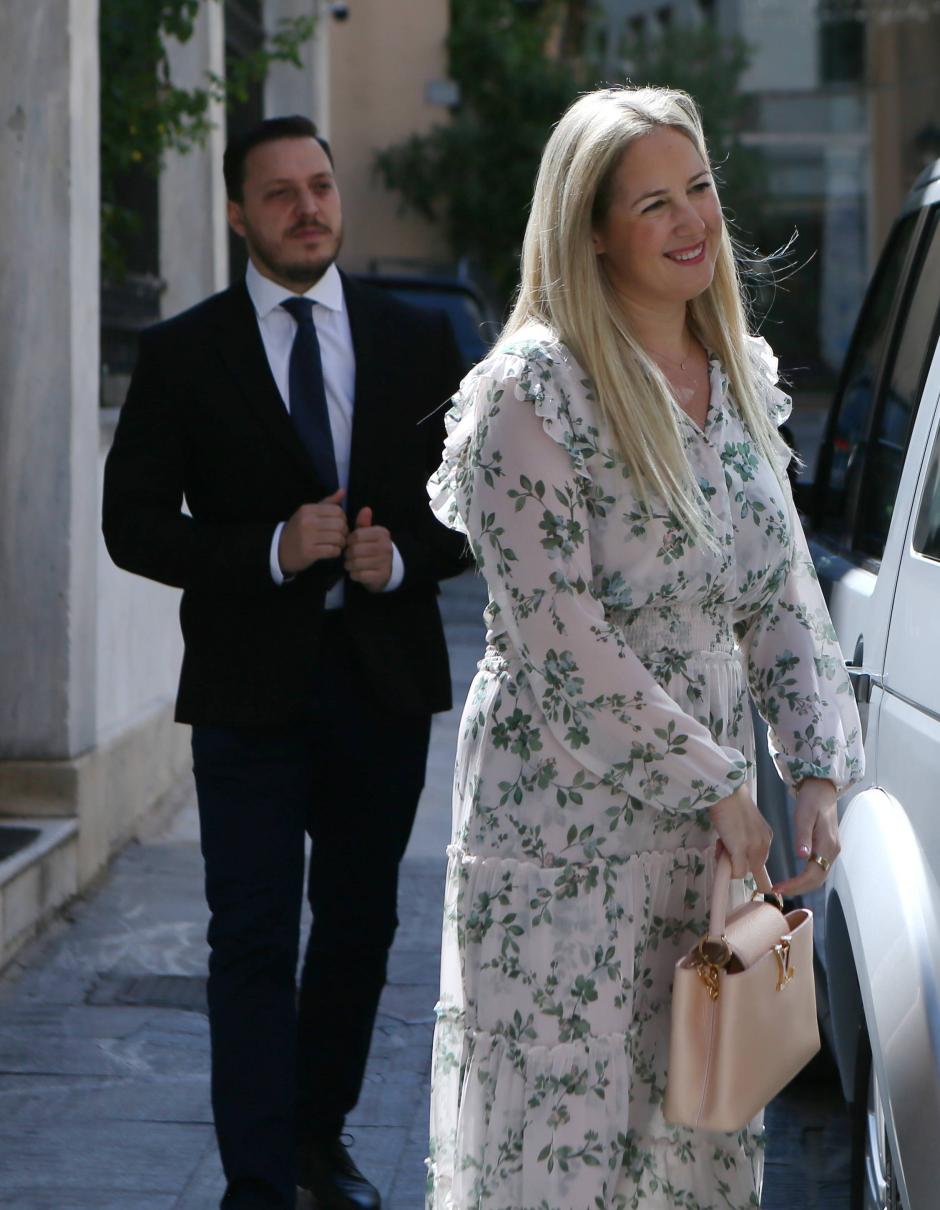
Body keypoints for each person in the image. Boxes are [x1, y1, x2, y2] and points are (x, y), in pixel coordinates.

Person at [425, 86, 864, 1209]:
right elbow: (557, 640)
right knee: (561, 1144)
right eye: (653, 203)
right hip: (558, 831)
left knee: (689, 1130)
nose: (691, 223)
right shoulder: (529, 396)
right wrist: (722, 782)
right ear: (590, 232)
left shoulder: (740, 380)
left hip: (708, 847)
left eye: (700, 189)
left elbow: (778, 599)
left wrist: (811, 766)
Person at [102, 115, 467, 1210]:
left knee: (360, 928)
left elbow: (474, 510)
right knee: (252, 936)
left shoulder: (415, 341)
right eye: (279, 194)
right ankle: (258, 1180)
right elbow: (133, 527)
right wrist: (268, 548)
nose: (307, 208)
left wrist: (399, 559)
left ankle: (317, 1139)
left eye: (320, 187)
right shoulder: (181, 353)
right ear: (235, 213)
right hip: (248, 694)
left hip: (382, 688)